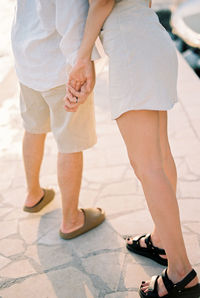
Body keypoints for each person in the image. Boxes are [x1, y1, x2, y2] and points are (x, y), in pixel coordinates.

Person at [64, 0, 200, 296]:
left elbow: (103, 1)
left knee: (148, 165)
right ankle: (162, 239)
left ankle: (180, 271)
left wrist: (82, 56)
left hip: (131, 48)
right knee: (160, 157)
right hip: (149, 38)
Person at [11, 0, 105, 240]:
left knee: (33, 129)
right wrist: (83, 62)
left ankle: (33, 194)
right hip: (59, 64)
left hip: (27, 56)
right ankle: (71, 219)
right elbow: (71, 19)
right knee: (70, 143)